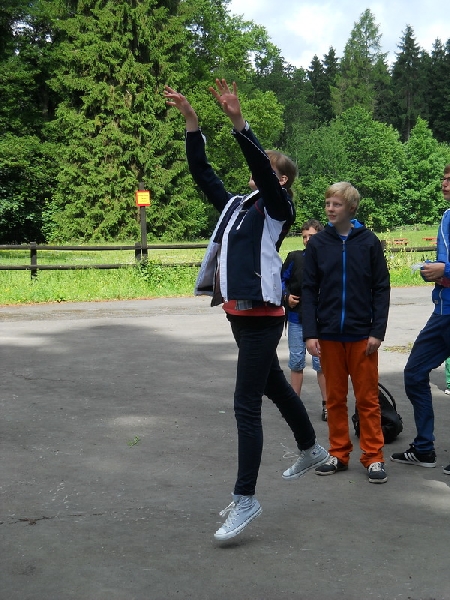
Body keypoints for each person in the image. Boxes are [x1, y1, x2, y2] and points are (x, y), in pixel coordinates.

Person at [164, 79, 328, 541]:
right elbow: (203, 174)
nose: (256, 170)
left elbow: (259, 163)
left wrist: (238, 120)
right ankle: (311, 448)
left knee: (245, 405)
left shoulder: (278, 207)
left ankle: (246, 498)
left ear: (281, 180)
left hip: (262, 319)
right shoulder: (237, 206)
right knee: (275, 386)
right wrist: (192, 121)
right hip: (238, 314)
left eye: (267, 167)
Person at [302, 182, 390, 483]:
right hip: (328, 334)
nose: (330, 209)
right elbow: (309, 289)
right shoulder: (318, 244)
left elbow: (381, 288)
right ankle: (338, 453)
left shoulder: (369, 242)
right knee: (335, 399)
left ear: (351, 208)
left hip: (362, 335)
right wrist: (310, 333)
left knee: (368, 399)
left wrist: (377, 331)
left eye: (336, 204)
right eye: (328, 203)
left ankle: (374, 457)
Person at [391, 166, 450, 475]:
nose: (444, 183)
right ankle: (424, 448)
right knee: (414, 373)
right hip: (442, 312)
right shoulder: (447, 216)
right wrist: (435, 269)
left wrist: (445, 270)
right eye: (444, 178)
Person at [281, 219, 327, 420]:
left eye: (312, 236)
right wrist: (286, 297)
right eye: (305, 236)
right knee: (296, 361)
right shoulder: (295, 258)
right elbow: (280, 280)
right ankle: (295, 405)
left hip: (320, 320)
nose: (308, 240)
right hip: (296, 318)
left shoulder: (327, 259)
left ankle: (327, 404)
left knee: (321, 363)